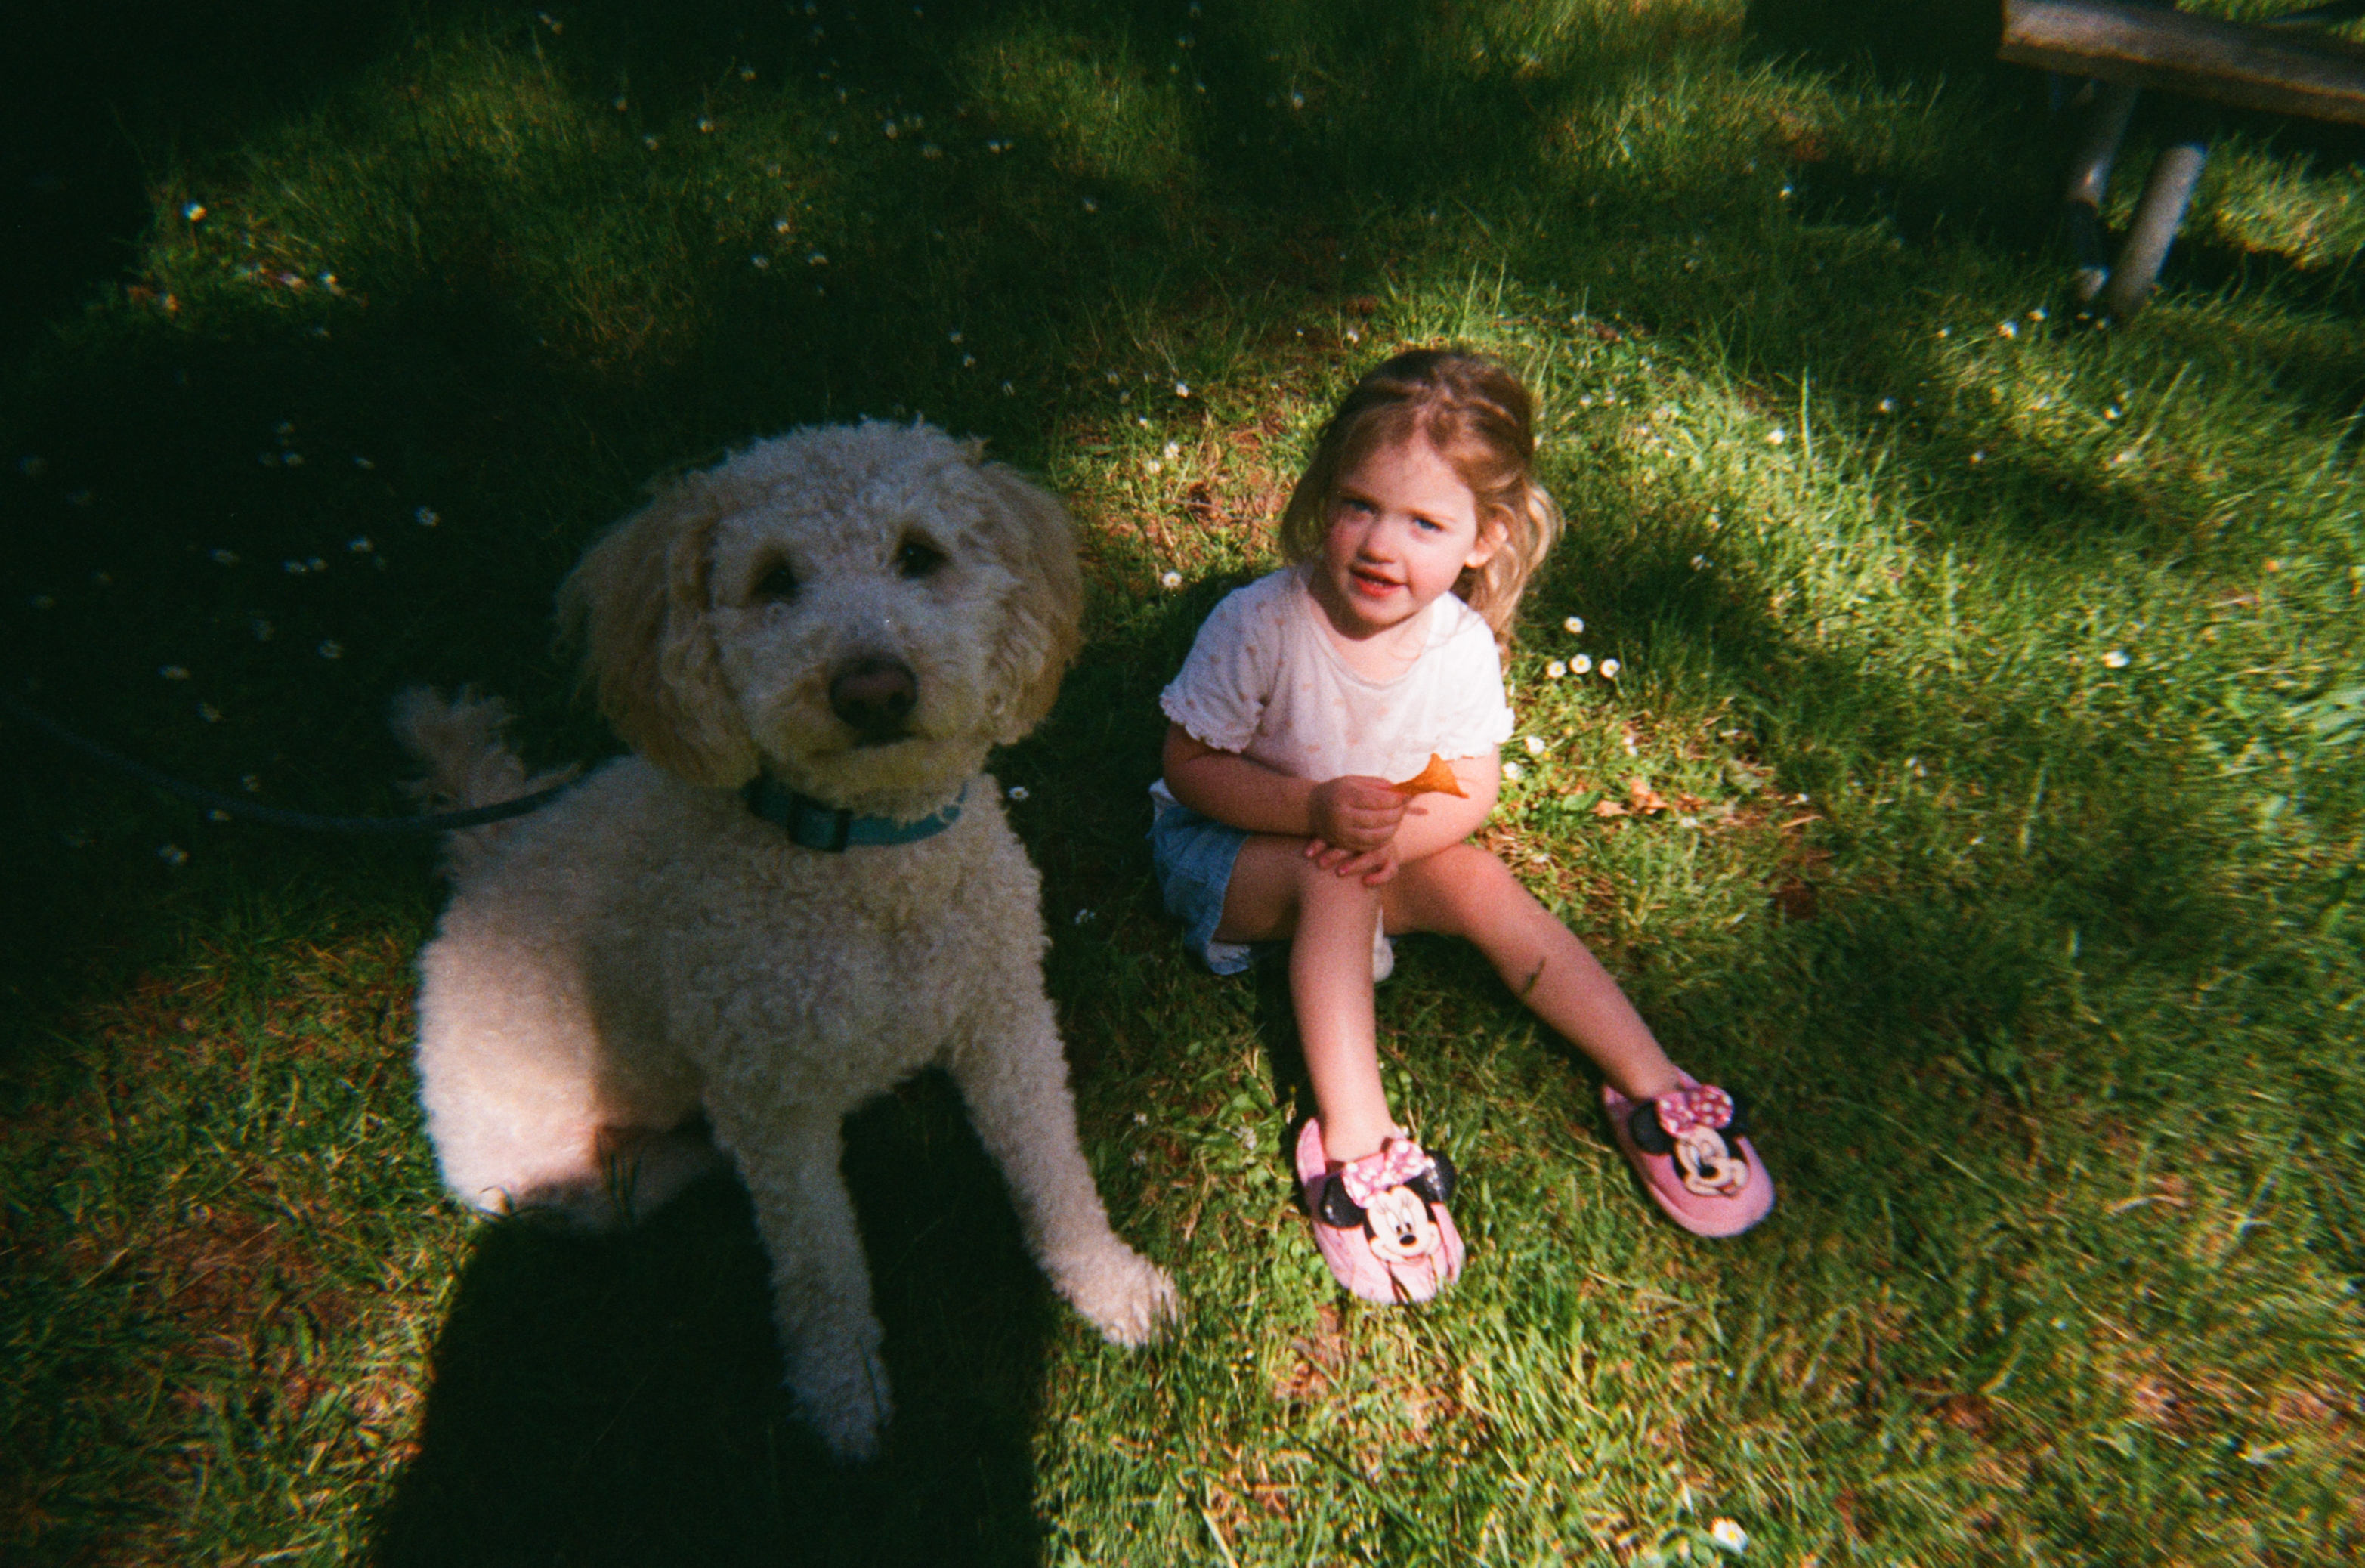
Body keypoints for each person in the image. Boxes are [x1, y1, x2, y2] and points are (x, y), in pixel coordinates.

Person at [1148, 348, 1772, 1305]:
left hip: (1355, 849)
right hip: (1227, 854)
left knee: (1476, 877)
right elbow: (1186, 769)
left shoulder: (1458, 643)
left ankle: (1652, 1084)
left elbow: (1469, 785)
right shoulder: (1263, 623)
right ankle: (1358, 1144)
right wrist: (1314, 811)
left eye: (1425, 522)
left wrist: (1397, 840)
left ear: (1486, 535)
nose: (1378, 545)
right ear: (1322, 494)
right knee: (1334, 882)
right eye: (1357, 503)